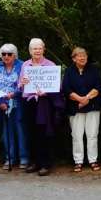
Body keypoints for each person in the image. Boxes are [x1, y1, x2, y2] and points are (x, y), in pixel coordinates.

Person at [20, 38, 64, 176]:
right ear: (30, 51)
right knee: (31, 132)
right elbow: (19, 84)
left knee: (44, 133)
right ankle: (34, 162)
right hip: (29, 101)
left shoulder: (50, 65)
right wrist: (22, 82)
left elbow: (58, 87)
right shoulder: (25, 65)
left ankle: (45, 164)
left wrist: (47, 91)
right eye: (34, 49)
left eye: (39, 48)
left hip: (45, 103)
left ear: (44, 49)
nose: (37, 51)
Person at [0, 43, 29, 171]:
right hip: (2, 104)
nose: (6, 56)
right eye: (3, 54)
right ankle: (9, 158)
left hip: (18, 103)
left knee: (21, 131)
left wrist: (15, 93)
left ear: (15, 55)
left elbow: (25, 83)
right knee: (6, 131)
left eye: (9, 54)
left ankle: (24, 157)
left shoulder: (22, 65)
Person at [64, 47, 101, 172]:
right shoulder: (69, 71)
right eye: (79, 56)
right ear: (74, 58)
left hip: (92, 106)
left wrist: (85, 99)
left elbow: (98, 87)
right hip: (75, 107)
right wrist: (79, 100)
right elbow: (66, 89)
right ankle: (78, 161)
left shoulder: (94, 70)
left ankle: (93, 160)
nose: (82, 58)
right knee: (76, 135)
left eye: (84, 55)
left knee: (92, 135)